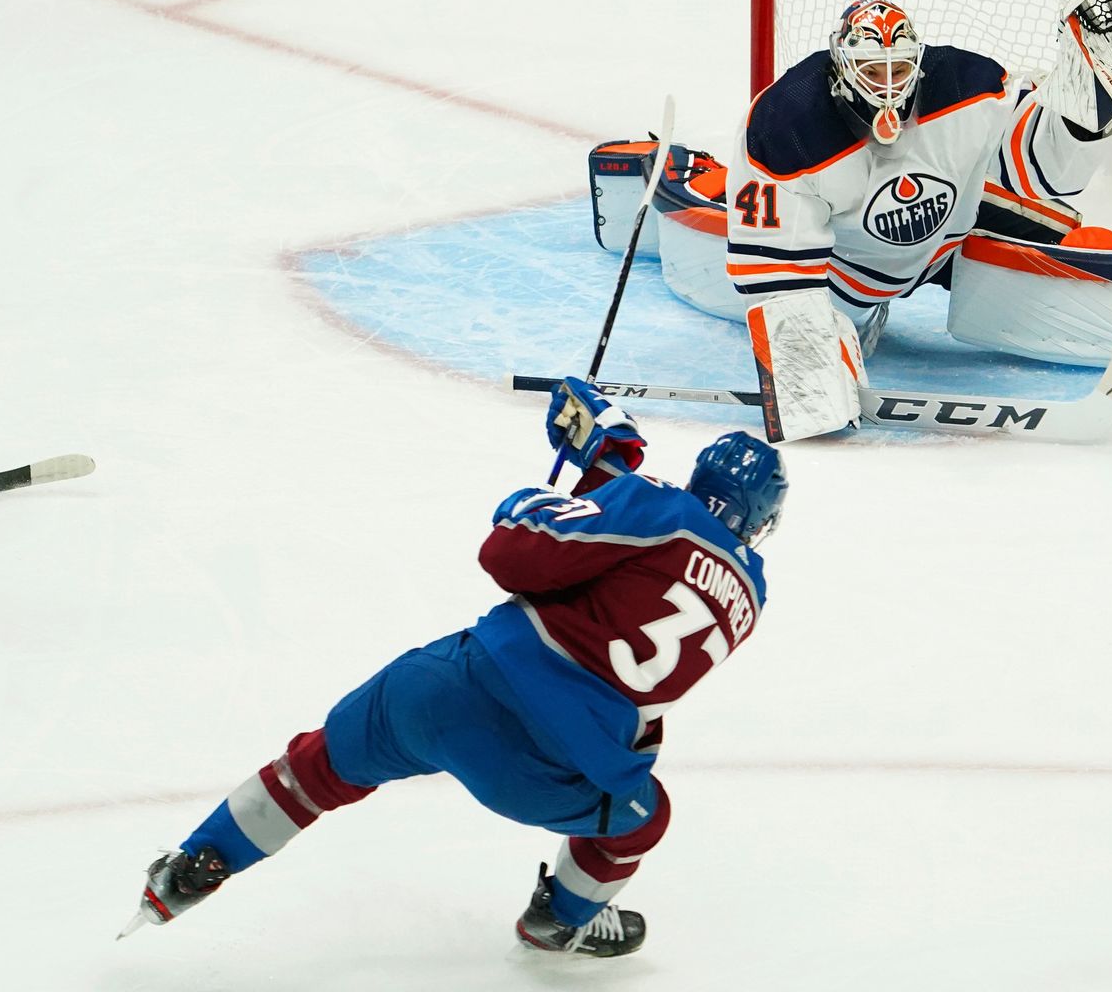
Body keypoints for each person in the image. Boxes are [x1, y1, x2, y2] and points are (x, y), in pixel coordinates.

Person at [121, 377, 789, 958]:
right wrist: (607, 474)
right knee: (644, 818)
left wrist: (551, 497)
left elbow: (514, 558)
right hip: (548, 771)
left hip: (450, 688)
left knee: (319, 767)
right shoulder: (749, 598)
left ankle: (197, 865)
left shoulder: (660, 506)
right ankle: (560, 923)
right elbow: (632, 590)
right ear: (759, 521)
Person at [653, 0, 1112, 440]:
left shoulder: (967, 85)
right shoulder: (785, 126)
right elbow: (778, 276)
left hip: (949, 239)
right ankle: (701, 177)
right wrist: (810, 371)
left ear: (918, 62)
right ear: (840, 67)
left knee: (1064, 231)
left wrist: (1088, 108)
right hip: (842, 272)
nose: (886, 85)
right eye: (870, 70)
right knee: (816, 397)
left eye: (898, 68)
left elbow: (1044, 173)